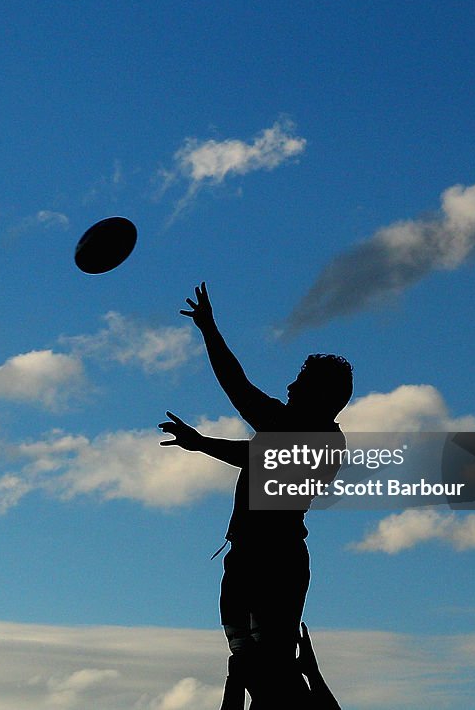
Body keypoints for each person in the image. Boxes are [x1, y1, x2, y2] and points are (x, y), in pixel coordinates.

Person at [159, 283, 351, 708]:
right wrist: (208, 329)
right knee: (246, 664)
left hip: (276, 562)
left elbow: (258, 457)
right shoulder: (285, 422)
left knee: (273, 669)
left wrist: (201, 442)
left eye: (299, 382)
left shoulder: (326, 442)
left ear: (320, 394)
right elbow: (237, 386)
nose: (289, 386)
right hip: (244, 558)